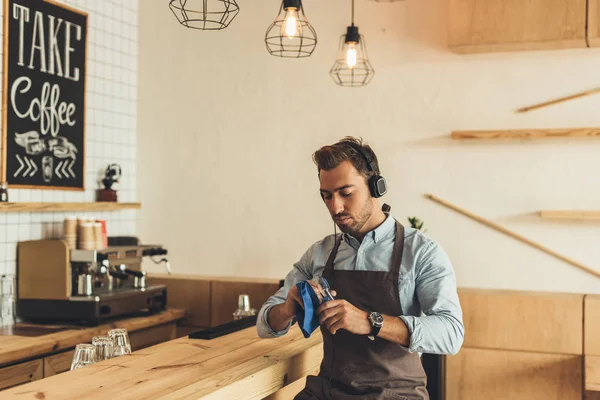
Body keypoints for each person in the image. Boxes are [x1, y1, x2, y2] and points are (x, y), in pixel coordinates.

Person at [257, 137, 464, 400]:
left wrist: (370, 322)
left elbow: (451, 333)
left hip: (395, 394)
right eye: (326, 196)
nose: (335, 207)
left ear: (376, 187)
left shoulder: (422, 252)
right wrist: (287, 309)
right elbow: (265, 324)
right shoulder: (320, 253)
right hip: (328, 392)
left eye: (346, 193)